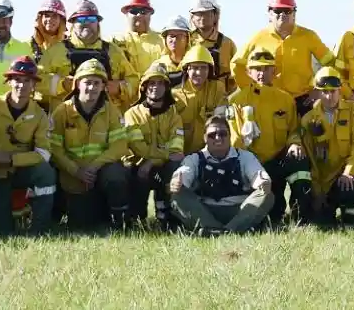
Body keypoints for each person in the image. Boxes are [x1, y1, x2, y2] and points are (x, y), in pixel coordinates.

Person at [223, 46, 310, 225]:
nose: (261, 73)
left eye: (266, 68)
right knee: (270, 215)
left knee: (300, 164)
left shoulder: (286, 99)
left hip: (278, 159)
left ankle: (300, 217)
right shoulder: (236, 100)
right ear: (248, 71)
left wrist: (294, 143)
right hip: (251, 164)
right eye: (256, 69)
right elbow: (235, 140)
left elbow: (294, 129)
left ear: (274, 71)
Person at [0, 55, 57, 235]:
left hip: (20, 171)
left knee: (45, 172)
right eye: (17, 80)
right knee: (1, 231)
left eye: (27, 81)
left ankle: (39, 229)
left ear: (34, 85)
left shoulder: (40, 115)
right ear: (9, 82)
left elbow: (44, 153)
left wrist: (11, 159)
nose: (22, 85)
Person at [50, 58, 132, 231]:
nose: (92, 88)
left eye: (97, 83)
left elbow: (120, 145)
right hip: (72, 176)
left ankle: (119, 222)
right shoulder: (62, 112)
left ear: (103, 86)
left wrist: (94, 167)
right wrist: (77, 171)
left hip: (99, 173)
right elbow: (54, 149)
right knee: (82, 224)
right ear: (78, 84)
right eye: (87, 82)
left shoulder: (111, 112)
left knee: (117, 174)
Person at [232, 0, 334, 114]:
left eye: (287, 11)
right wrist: (252, 89)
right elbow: (236, 64)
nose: (282, 15)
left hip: (304, 101)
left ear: (294, 13)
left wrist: (319, 89)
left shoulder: (309, 37)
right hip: (270, 100)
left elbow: (330, 62)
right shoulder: (257, 38)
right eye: (277, 11)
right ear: (269, 13)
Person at [169, 115, 274, 235]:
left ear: (230, 136)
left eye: (223, 134)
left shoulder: (245, 156)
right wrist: (177, 183)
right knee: (177, 195)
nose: (218, 138)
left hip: (240, 211)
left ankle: (224, 231)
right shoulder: (194, 159)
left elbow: (257, 174)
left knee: (267, 194)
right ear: (204, 138)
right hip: (205, 211)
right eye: (212, 135)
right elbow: (184, 173)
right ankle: (219, 230)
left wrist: (263, 183)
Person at [291, 66, 354, 226]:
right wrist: (318, 193)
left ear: (340, 90)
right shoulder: (308, 119)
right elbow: (311, 159)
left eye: (333, 91)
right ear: (317, 92)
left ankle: (352, 215)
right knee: (322, 222)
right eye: (324, 91)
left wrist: (348, 172)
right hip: (323, 182)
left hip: (346, 176)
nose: (329, 96)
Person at [123, 61, 185, 229]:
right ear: (144, 87)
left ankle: (168, 216)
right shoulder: (131, 114)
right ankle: (136, 218)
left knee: (176, 166)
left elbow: (177, 149)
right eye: (151, 82)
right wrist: (158, 157)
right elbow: (138, 148)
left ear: (166, 88)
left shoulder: (174, 116)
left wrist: (152, 161)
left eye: (160, 83)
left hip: (160, 166)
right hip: (137, 165)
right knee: (129, 171)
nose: (155, 87)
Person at [64, 0, 136, 108]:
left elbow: (134, 81)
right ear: (72, 23)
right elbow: (39, 81)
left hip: (108, 115)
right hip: (69, 115)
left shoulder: (113, 51)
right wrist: (61, 84)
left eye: (91, 19)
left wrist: (119, 88)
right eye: (81, 19)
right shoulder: (56, 51)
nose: (86, 23)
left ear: (98, 23)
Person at [174, 44, 228, 153]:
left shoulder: (218, 88)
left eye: (203, 68)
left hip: (210, 151)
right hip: (181, 152)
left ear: (209, 70)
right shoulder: (174, 94)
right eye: (195, 68)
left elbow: (222, 122)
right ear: (187, 70)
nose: (199, 72)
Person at [188, 0, 237, 93]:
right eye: (198, 13)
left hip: (220, 100)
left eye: (206, 13)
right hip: (191, 100)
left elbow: (235, 77)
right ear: (192, 17)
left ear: (215, 15)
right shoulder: (186, 41)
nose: (202, 17)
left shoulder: (227, 44)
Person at [29, 0, 72, 109]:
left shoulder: (69, 48)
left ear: (61, 20)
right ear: (40, 18)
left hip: (62, 107)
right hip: (33, 107)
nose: (50, 19)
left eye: (55, 16)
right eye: (46, 15)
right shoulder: (28, 46)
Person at [116, 0, 166, 75]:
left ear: (150, 14)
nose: (139, 15)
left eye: (144, 12)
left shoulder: (163, 40)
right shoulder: (116, 41)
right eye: (134, 11)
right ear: (126, 14)